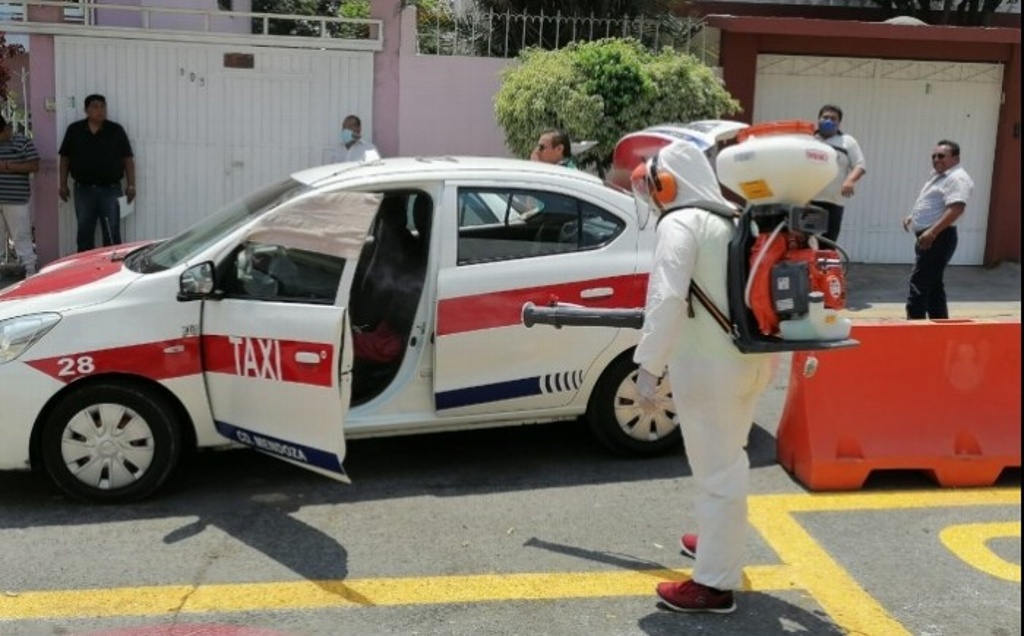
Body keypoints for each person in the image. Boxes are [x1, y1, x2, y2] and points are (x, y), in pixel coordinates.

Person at [631, 139, 776, 614]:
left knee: (717, 473)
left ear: (666, 183)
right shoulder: (731, 219)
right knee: (728, 460)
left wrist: (648, 367)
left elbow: (668, 300)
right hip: (751, 361)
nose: (652, 194)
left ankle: (713, 586)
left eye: (653, 184)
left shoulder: (680, 223)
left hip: (709, 370)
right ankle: (715, 543)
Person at [902, 139, 973, 320]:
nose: (936, 159)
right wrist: (913, 217)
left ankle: (914, 330)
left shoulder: (956, 178)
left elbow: (956, 208)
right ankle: (940, 327)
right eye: (933, 156)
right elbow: (932, 203)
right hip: (931, 236)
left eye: (941, 156)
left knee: (919, 283)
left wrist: (932, 232)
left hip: (938, 237)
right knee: (933, 285)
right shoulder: (939, 176)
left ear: (955, 158)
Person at [58, 94, 136, 252]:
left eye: (102, 106)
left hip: (111, 190)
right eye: (95, 107)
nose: (100, 110)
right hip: (83, 190)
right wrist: (62, 184)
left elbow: (127, 159)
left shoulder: (115, 130)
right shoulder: (75, 130)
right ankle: (86, 271)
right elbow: (64, 158)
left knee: (112, 232)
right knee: (84, 233)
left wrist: (131, 185)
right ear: (86, 110)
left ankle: (112, 271)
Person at [809, 104, 866, 243]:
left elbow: (860, 166)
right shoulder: (808, 140)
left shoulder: (847, 142)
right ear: (818, 119)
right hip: (808, 202)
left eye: (833, 118)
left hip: (833, 203)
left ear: (839, 123)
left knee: (827, 245)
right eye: (825, 117)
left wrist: (850, 181)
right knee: (805, 244)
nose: (829, 121)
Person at [0, 116, 41, 277]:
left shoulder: (21, 142)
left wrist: (7, 166)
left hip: (16, 200)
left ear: (6, 129)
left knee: (21, 236)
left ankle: (30, 271)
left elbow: (34, 165)